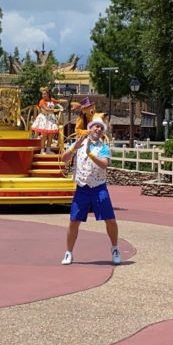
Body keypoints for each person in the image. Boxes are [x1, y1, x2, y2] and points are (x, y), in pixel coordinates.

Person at [60, 114, 121, 266]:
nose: (98, 129)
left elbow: (104, 164)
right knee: (74, 221)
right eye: (96, 126)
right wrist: (74, 148)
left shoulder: (104, 148)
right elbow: (64, 158)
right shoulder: (79, 143)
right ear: (90, 128)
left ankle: (114, 248)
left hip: (99, 187)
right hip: (82, 187)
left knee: (111, 220)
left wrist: (90, 154)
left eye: (101, 127)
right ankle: (69, 252)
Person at [31, 86, 62, 153]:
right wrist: (55, 110)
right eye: (42, 94)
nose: (43, 95)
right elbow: (46, 109)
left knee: (51, 135)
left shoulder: (52, 100)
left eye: (44, 94)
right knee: (44, 135)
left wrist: (64, 101)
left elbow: (58, 101)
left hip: (51, 119)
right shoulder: (42, 101)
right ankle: (42, 150)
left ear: (48, 94)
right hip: (44, 119)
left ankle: (48, 149)